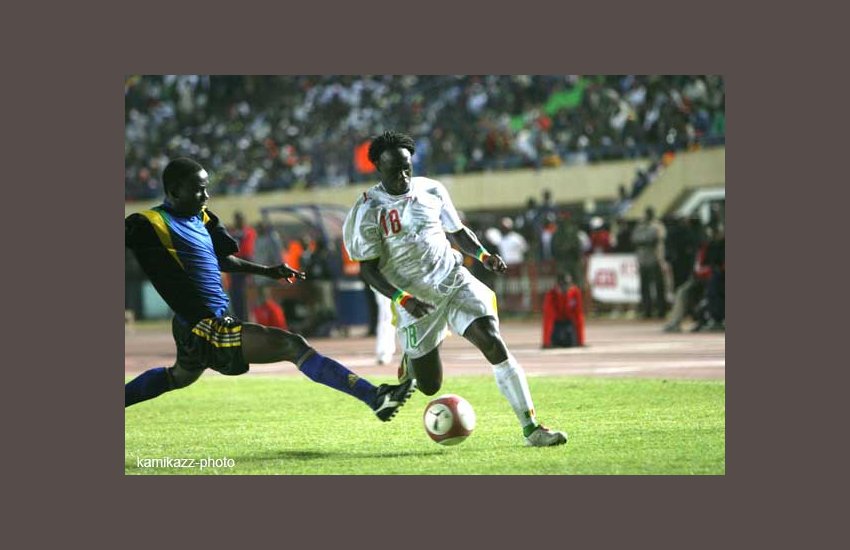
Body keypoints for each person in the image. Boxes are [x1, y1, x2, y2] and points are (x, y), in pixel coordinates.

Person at [124, 157, 415, 422]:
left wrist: (268, 271)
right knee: (293, 345)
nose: (206, 196)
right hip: (203, 326)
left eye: (206, 188)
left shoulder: (204, 218)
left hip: (200, 323)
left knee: (178, 376)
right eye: (198, 190)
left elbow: (223, 260)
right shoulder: (149, 224)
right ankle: (375, 397)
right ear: (175, 191)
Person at [343, 131, 567, 447]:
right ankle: (412, 361)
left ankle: (532, 428)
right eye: (394, 170)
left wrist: (484, 256)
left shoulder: (432, 189)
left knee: (492, 341)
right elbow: (368, 269)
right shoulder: (367, 209)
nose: (403, 176)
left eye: (407, 168)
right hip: (415, 301)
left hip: (453, 280)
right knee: (430, 385)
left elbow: (457, 232)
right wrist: (402, 299)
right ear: (378, 167)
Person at [631, 206, 668, 319]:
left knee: (659, 286)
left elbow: (653, 238)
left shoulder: (657, 226)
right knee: (644, 286)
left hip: (656, 259)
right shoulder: (640, 226)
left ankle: (661, 310)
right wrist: (645, 239)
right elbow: (634, 238)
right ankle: (647, 310)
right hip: (643, 260)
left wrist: (644, 239)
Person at [542, 273, 585, 348]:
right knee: (557, 339)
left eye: (567, 286)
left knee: (571, 340)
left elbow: (578, 316)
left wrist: (580, 341)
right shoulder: (551, 295)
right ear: (557, 286)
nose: (565, 289)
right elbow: (548, 319)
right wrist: (546, 342)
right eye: (562, 286)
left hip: (569, 323)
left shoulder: (575, 293)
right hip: (557, 324)